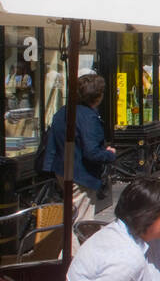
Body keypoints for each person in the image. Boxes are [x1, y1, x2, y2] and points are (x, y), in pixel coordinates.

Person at [45, 72, 117, 225]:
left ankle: (68, 248)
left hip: (62, 169)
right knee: (80, 221)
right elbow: (92, 152)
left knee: (72, 215)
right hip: (79, 173)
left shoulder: (63, 112)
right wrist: (109, 154)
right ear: (98, 97)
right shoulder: (87, 117)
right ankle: (75, 249)